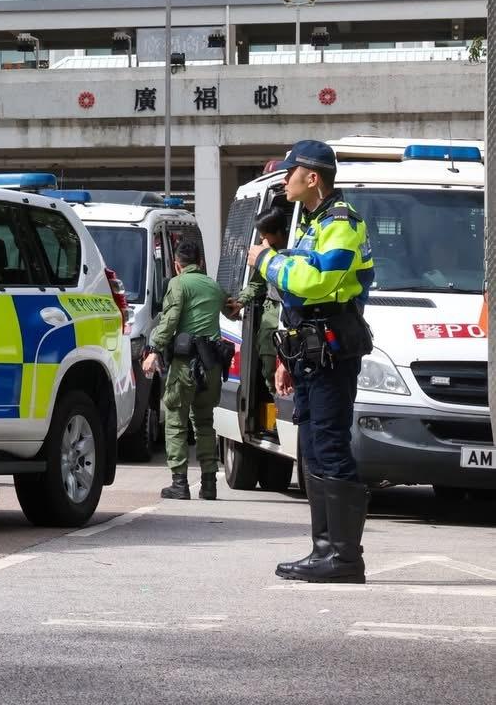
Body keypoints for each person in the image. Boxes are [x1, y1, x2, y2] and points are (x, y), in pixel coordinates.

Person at [247, 139, 375, 584]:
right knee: (315, 449)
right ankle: (325, 550)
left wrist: (266, 260)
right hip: (310, 351)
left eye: (290, 172)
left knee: (330, 445)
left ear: (312, 177)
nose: (285, 179)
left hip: (332, 352)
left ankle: (342, 558)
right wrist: (286, 355)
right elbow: (298, 297)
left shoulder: (341, 222)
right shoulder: (313, 222)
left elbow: (318, 282)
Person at [143, 238, 227, 501]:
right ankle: (210, 484)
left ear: (177, 265)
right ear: (200, 263)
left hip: (185, 365)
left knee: (176, 422)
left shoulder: (177, 284)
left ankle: (180, 483)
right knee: (204, 422)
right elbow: (231, 309)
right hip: (212, 365)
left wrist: (154, 349)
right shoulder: (214, 286)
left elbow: (169, 320)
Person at [229, 196, 293, 398]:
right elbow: (256, 283)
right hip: (271, 311)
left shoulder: (295, 250)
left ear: (277, 233)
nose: (261, 239)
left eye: (264, 234)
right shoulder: (265, 254)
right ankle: (275, 396)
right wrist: (241, 301)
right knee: (268, 360)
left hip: (290, 310)